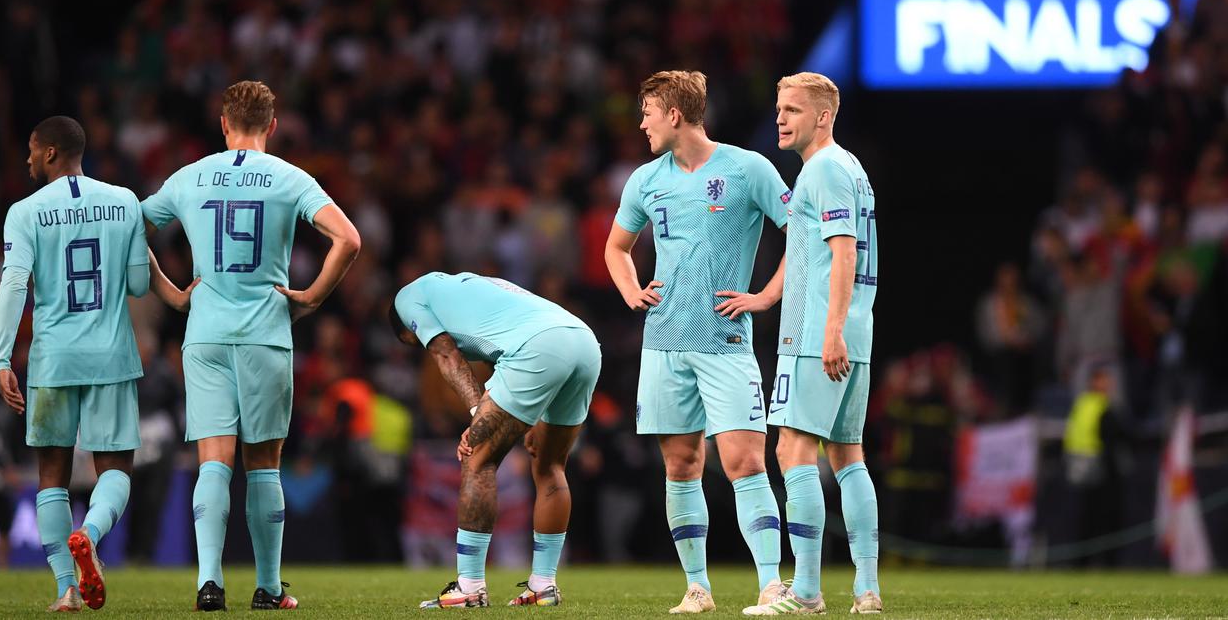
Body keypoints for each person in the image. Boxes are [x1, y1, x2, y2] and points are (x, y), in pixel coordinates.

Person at [141, 81, 361, 611]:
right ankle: (267, 587)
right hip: (265, 335)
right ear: (273, 125)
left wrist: (171, 294)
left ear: (223, 123)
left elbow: (131, 230)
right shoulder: (291, 178)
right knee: (263, 464)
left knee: (213, 462)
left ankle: (209, 584)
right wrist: (310, 296)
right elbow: (349, 239)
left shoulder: (189, 176)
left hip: (206, 335)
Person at [604, 70, 791, 613]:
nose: (641, 122)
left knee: (744, 462)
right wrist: (632, 292)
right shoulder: (644, 180)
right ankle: (697, 588)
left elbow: (801, 231)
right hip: (664, 342)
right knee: (680, 466)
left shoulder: (747, 168)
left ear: (675, 115)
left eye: (647, 111)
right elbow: (616, 249)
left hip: (725, 341)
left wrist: (765, 296)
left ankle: (771, 585)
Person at [0, 116, 155, 611]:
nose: (26, 159)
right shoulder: (125, 201)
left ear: (49, 153)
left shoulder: (23, 213)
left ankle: (66, 589)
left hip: (53, 358)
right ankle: (89, 533)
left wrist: (1, 356)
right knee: (116, 471)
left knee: (52, 475)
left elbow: (14, 285)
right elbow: (137, 286)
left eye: (30, 149)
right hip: (111, 354)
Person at [743, 73, 882, 615]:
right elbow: (810, 251)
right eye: (779, 108)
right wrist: (765, 298)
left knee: (792, 450)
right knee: (849, 457)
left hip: (819, 336)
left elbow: (843, 252)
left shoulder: (822, 169)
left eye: (793, 110)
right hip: (856, 331)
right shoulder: (850, 168)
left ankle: (804, 593)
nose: (781, 118)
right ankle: (867, 590)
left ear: (823, 116)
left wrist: (828, 330)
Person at [389, 271, 601, 609]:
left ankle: (469, 588)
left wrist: (476, 418)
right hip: (583, 342)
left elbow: (447, 355)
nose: (423, 347)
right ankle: (543, 586)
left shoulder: (407, 299)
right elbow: (496, 354)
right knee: (549, 466)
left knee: (478, 458)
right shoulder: (470, 288)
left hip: (538, 347)